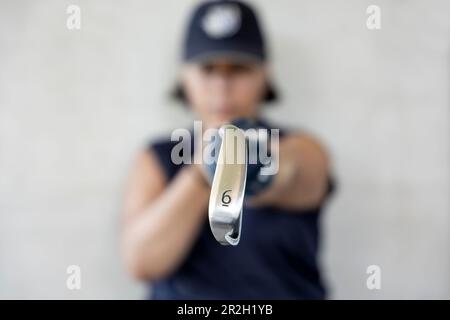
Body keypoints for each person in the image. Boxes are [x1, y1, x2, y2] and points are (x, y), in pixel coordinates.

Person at [121, 0, 336, 299]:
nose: (222, 86)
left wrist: (255, 163)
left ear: (264, 75)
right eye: (208, 69)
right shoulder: (157, 156)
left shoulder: (299, 146)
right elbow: (141, 261)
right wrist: (203, 171)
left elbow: (299, 170)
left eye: (239, 68)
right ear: (185, 76)